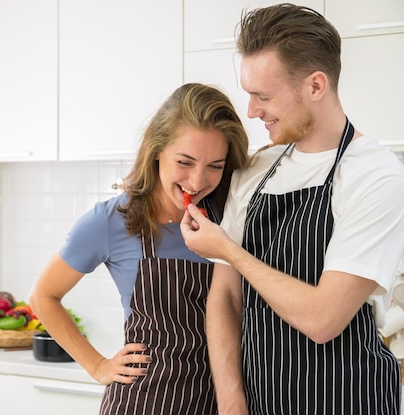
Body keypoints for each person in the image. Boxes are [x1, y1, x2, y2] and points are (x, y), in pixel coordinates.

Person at [180, 4, 404, 415]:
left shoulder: (375, 174)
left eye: (263, 96)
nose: (251, 111)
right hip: (261, 401)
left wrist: (228, 250)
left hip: (346, 400)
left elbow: (323, 319)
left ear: (316, 85)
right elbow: (225, 297)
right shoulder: (257, 169)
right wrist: (231, 402)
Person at [29, 83, 250, 414]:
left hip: (217, 402)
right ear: (157, 150)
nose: (196, 181)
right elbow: (42, 297)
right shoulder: (112, 221)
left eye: (215, 166)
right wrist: (98, 365)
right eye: (185, 162)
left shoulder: (230, 219)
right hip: (144, 402)